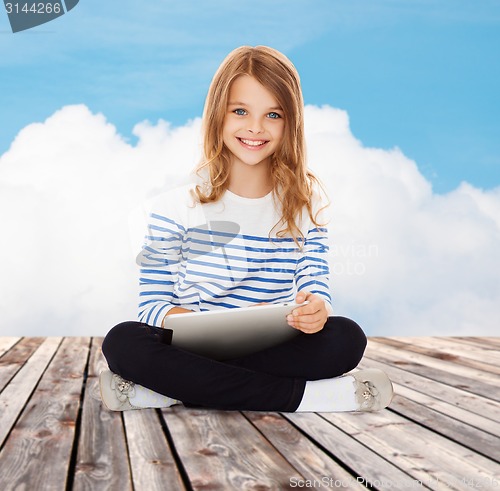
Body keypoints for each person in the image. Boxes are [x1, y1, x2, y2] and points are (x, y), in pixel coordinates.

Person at [100, 46, 393, 413]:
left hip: (269, 345)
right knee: (123, 341)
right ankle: (310, 398)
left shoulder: (306, 204)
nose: (255, 128)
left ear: (291, 124)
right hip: (189, 345)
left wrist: (316, 308)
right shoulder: (172, 207)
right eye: (240, 111)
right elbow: (152, 306)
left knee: (346, 337)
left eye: (273, 114)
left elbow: (314, 282)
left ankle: (166, 390)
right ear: (217, 117)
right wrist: (196, 324)